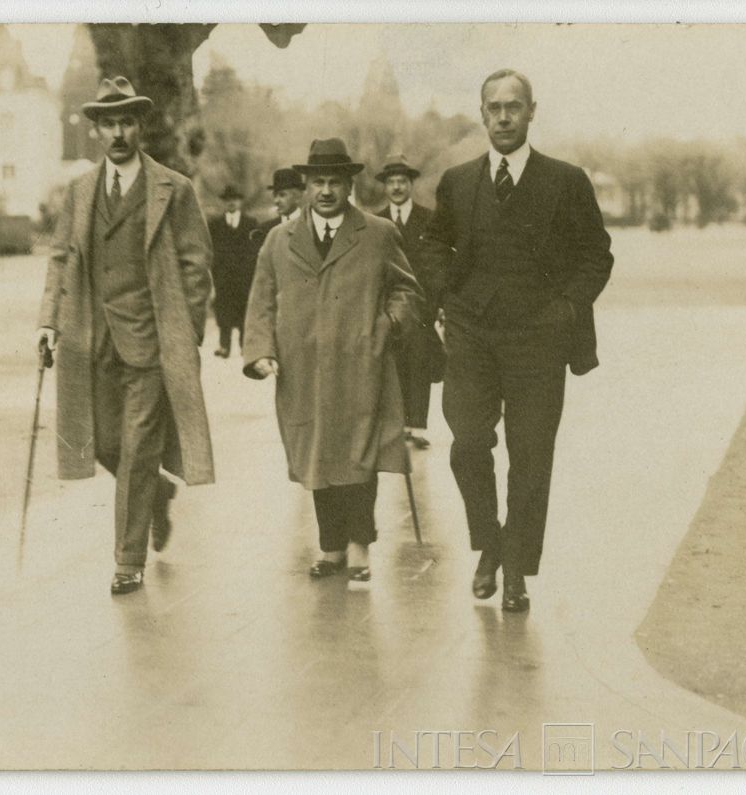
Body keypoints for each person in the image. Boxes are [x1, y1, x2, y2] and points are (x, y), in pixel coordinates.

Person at [421, 69, 613, 612]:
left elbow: (596, 254)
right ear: (481, 114)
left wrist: (566, 309)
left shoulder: (566, 181)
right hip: (472, 334)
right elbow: (433, 245)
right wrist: (447, 295)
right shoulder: (458, 182)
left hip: (539, 339)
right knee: (467, 444)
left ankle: (515, 571)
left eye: (514, 106)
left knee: (530, 459)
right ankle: (490, 542)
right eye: (494, 107)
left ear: (531, 111)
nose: (503, 117)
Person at [36, 76, 215, 595]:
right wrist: (48, 321)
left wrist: (183, 331)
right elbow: (60, 258)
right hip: (92, 341)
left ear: (140, 127)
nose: (118, 133)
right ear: (95, 130)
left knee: (137, 447)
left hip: (152, 343)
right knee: (103, 443)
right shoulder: (80, 192)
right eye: (108, 123)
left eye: (127, 122)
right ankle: (156, 493)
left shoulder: (173, 189)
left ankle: (128, 560)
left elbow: (196, 265)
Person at [243, 138, 423, 587]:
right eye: (318, 182)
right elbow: (261, 300)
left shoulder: (377, 234)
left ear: (349, 185)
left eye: (335, 182)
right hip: (302, 369)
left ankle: (360, 545)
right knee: (317, 453)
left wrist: (388, 325)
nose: (326, 191)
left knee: (360, 453)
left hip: (362, 364)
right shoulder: (279, 240)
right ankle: (331, 547)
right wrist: (261, 351)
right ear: (305, 186)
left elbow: (406, 289)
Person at [372, 153, 442, 450]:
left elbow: (438, 262)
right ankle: (397, 426)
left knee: (419, 364)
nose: (397, 187)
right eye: (392, 182)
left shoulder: (429, 219)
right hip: (388, 306)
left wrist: (437, 303)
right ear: (385, 186)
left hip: (423, 305)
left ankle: (417, 426)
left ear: (411, 184)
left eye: (402, 181)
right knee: (392, 365)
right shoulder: (376, 222)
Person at [208, 185, 259, 357]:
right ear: (223, 202)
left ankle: (245, 346)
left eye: (234, 199)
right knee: (223, 312)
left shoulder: (251, 223)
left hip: (245, 277)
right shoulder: (214, 225)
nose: (231, 202)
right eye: (227, 199)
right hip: (223, 278)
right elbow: (210, 250)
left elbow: (255, 250)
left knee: (245, 312)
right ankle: (224, 346)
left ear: (240, 201)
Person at [251, 168, 305, 244]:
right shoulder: (265, 230)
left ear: (297, 197)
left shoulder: (310, 225)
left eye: (282, 195)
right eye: (275, 195)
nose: (276, 201)